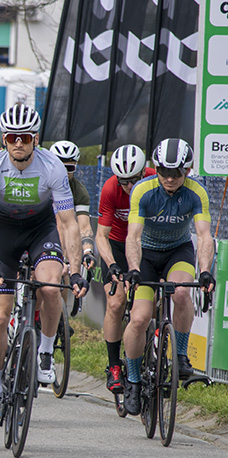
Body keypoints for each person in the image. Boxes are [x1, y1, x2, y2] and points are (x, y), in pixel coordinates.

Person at [0, 105, 88, 430]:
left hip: (41, 230)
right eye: (12, 137)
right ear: (4, 139)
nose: (18, 144)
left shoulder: (52, 167)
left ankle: (45, 350)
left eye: (25, 137)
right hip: (4, 231)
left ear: (35, 138)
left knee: (51, 287)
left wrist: (76, 268)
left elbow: (68, 224)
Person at [122, 138, 214, 415]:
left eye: (176, 173)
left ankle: (182, 356)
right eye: (163, 171)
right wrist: (135, 269)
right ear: (156, 168)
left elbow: (203, 235)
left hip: (178, 251)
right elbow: (133, 236)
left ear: (187, 170)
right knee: (139, 318)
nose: (169, 178)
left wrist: (206, 270)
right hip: (147, 255)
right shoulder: (143, 190)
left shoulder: (197, 192)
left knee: (183, 292)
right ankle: (134, 380)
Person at [97, 144, 152, 395]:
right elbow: (101, 236)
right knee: (117, 302)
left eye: (133, 180)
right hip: (117, 246)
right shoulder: (110, 189)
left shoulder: (156, 180)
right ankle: (113, 366)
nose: (129, 187)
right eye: (123, 181)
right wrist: (113, 265)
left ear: (144, 174)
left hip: (147, 244)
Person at [49, 140, 96, 270]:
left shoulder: (78, 190)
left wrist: (88, 252)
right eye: (59, 167)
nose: (64, 172)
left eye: (69, 168)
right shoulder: (41, 182)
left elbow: (84, 226)